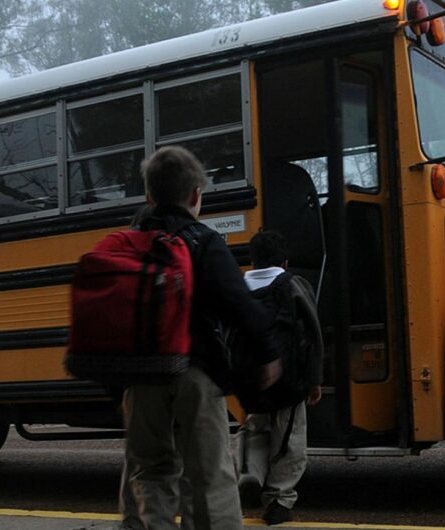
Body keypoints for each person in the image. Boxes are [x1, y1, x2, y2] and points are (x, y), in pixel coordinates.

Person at [119, 146, 281, 530]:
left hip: (140, 377)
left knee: (148, 471)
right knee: (209, 474)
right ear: (195, 196)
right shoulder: (203, 241)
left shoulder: (128, 244)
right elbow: (238, 303)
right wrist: (267, 354)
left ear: (149, 196)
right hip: (195, 371)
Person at [234, 230, 323, 525]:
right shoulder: (294, 284)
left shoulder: (238, 287)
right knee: (289, 439)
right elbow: (313, 333)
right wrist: (314, 379)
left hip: (251, 381)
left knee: (255, 429)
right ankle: (280, 500)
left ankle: (250, 474)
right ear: (284, 261)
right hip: (289, 381)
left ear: (252, 259)